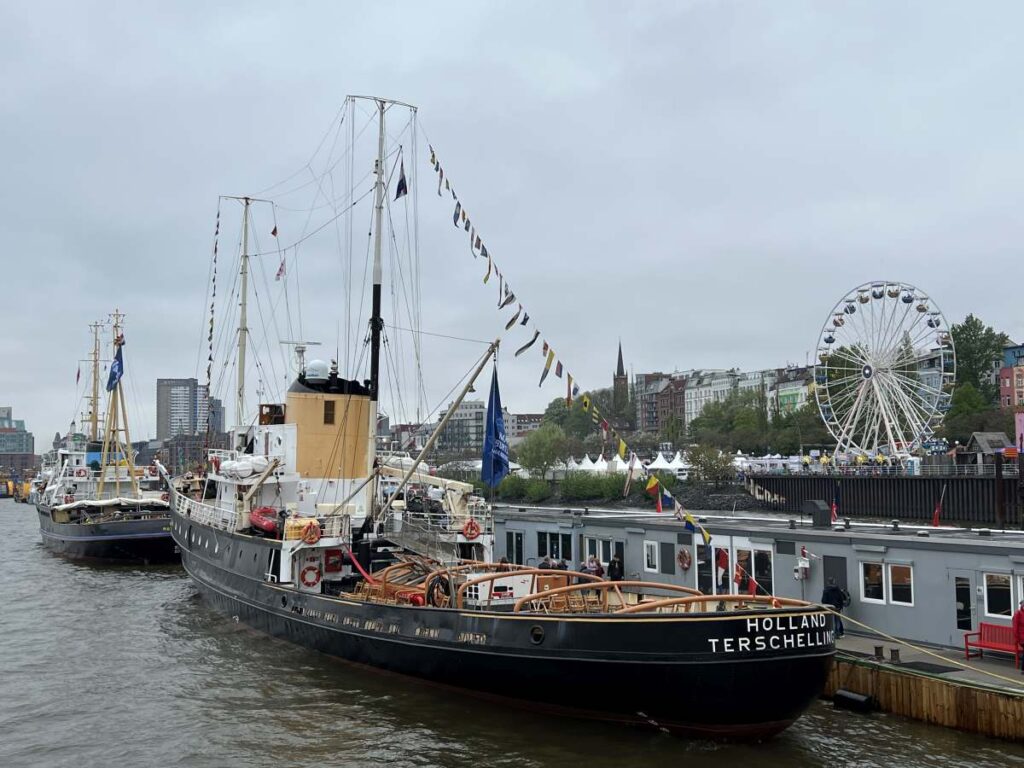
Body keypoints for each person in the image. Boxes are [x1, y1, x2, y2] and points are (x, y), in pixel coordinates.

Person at [1013, 599, 1024, 674]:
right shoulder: (1018, 614)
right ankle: (1023, 669)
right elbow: (1015, 627)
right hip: (1022, 637)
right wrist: (1017, 639)